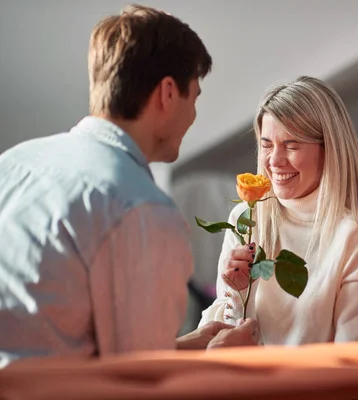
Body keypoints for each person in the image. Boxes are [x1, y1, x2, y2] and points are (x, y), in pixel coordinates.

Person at [0, 4, 257, 368]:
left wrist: (190, 345)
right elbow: (138, 384)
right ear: (168, 93)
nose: (194, 116)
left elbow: (75, 344)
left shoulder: (14, 163)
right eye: (194, 97)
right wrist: (216, 363)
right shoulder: (140, 210)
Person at [199, 76, 358, 344]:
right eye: (266, 145)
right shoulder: (246, 219)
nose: (274, 160)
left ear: (329, 149)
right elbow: (223, 337)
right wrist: (235, 294)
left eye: (292, 145)